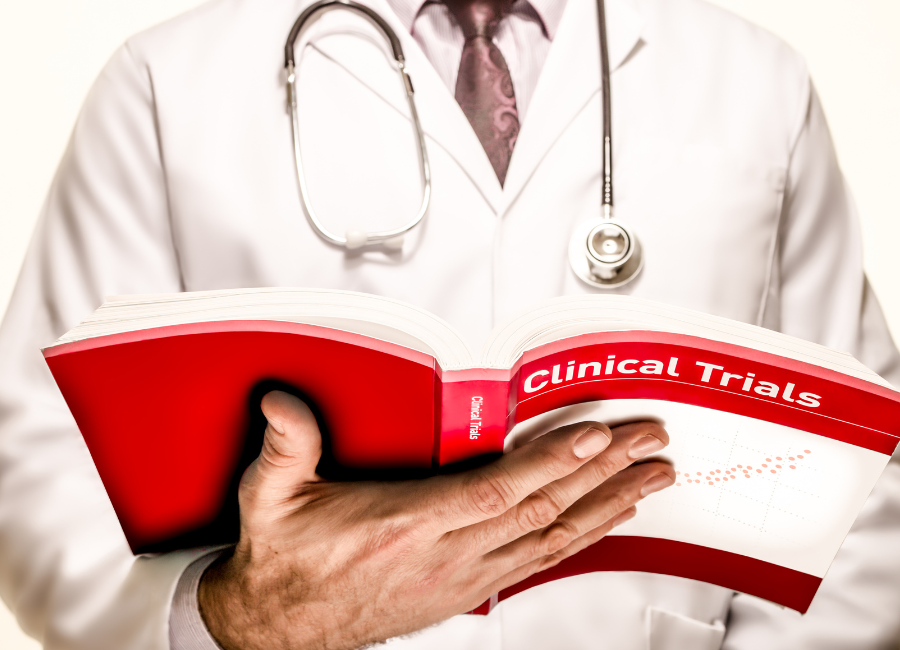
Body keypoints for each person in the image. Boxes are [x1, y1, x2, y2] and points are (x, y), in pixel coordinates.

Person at [1, 0, 899, 648]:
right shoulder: (168, 80)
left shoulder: (755, 81)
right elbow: (38, 460)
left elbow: (863, 462)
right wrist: (239, 617)